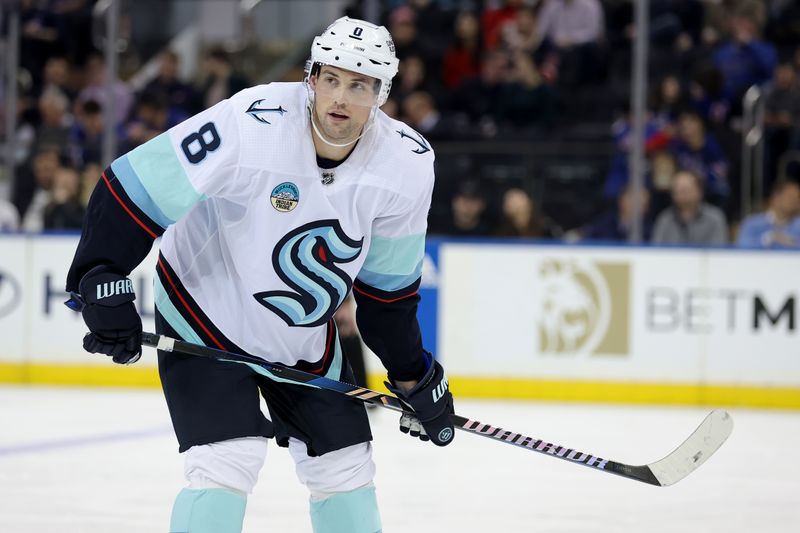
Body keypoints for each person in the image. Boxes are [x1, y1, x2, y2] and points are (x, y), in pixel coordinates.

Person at [64, 16, 454, 533]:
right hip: (204, 308)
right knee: (227, 460)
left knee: (346, 466)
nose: (340, 97)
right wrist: (100, 275)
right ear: (311, 77)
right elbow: (135, 184)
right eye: (331, 78)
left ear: (381, 94)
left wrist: (414, 376)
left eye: (359, 85)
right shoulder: (253, 121)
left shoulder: (407, 164)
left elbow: (387, 295)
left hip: (302, 337)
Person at [652, 170, 729, 246]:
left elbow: (719, 252)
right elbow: (656, 251)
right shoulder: (665, 219)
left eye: (685, 190)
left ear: (700, 191)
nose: (681, 195)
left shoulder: (715, 218)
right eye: (677, 190)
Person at [737, 180, 800, 248]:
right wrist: (767, 239)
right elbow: (742, 246)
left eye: (797, 198)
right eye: (791, 197)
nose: (795, 201)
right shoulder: (752, 223)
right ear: (776, 198)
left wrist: (793, 243)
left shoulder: (798, 225)